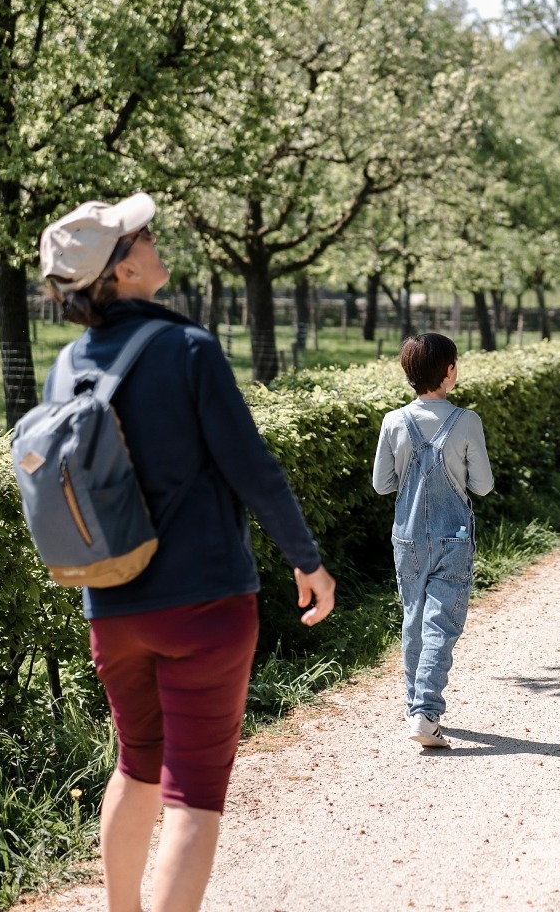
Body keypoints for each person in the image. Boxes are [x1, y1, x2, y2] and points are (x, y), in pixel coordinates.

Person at [39, 192, 336, 912]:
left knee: (135, 771)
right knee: (196, 798)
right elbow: (252, 467)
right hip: (204, 605)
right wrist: (306, 559)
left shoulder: (65, 367)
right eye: (140, 235)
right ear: (120, 270)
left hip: (110, 606)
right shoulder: (187, 348)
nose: (153, 238)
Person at [372, 333, 494, 749]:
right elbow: (482, 486)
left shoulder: (393, 421)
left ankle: (414, 708)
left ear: (408, 374)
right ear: (449, 371)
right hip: (453, 537)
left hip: (405, 538)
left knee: (414, 618)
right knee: (441, 623)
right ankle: (425, 711)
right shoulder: (466, 420)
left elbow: (381, 484)